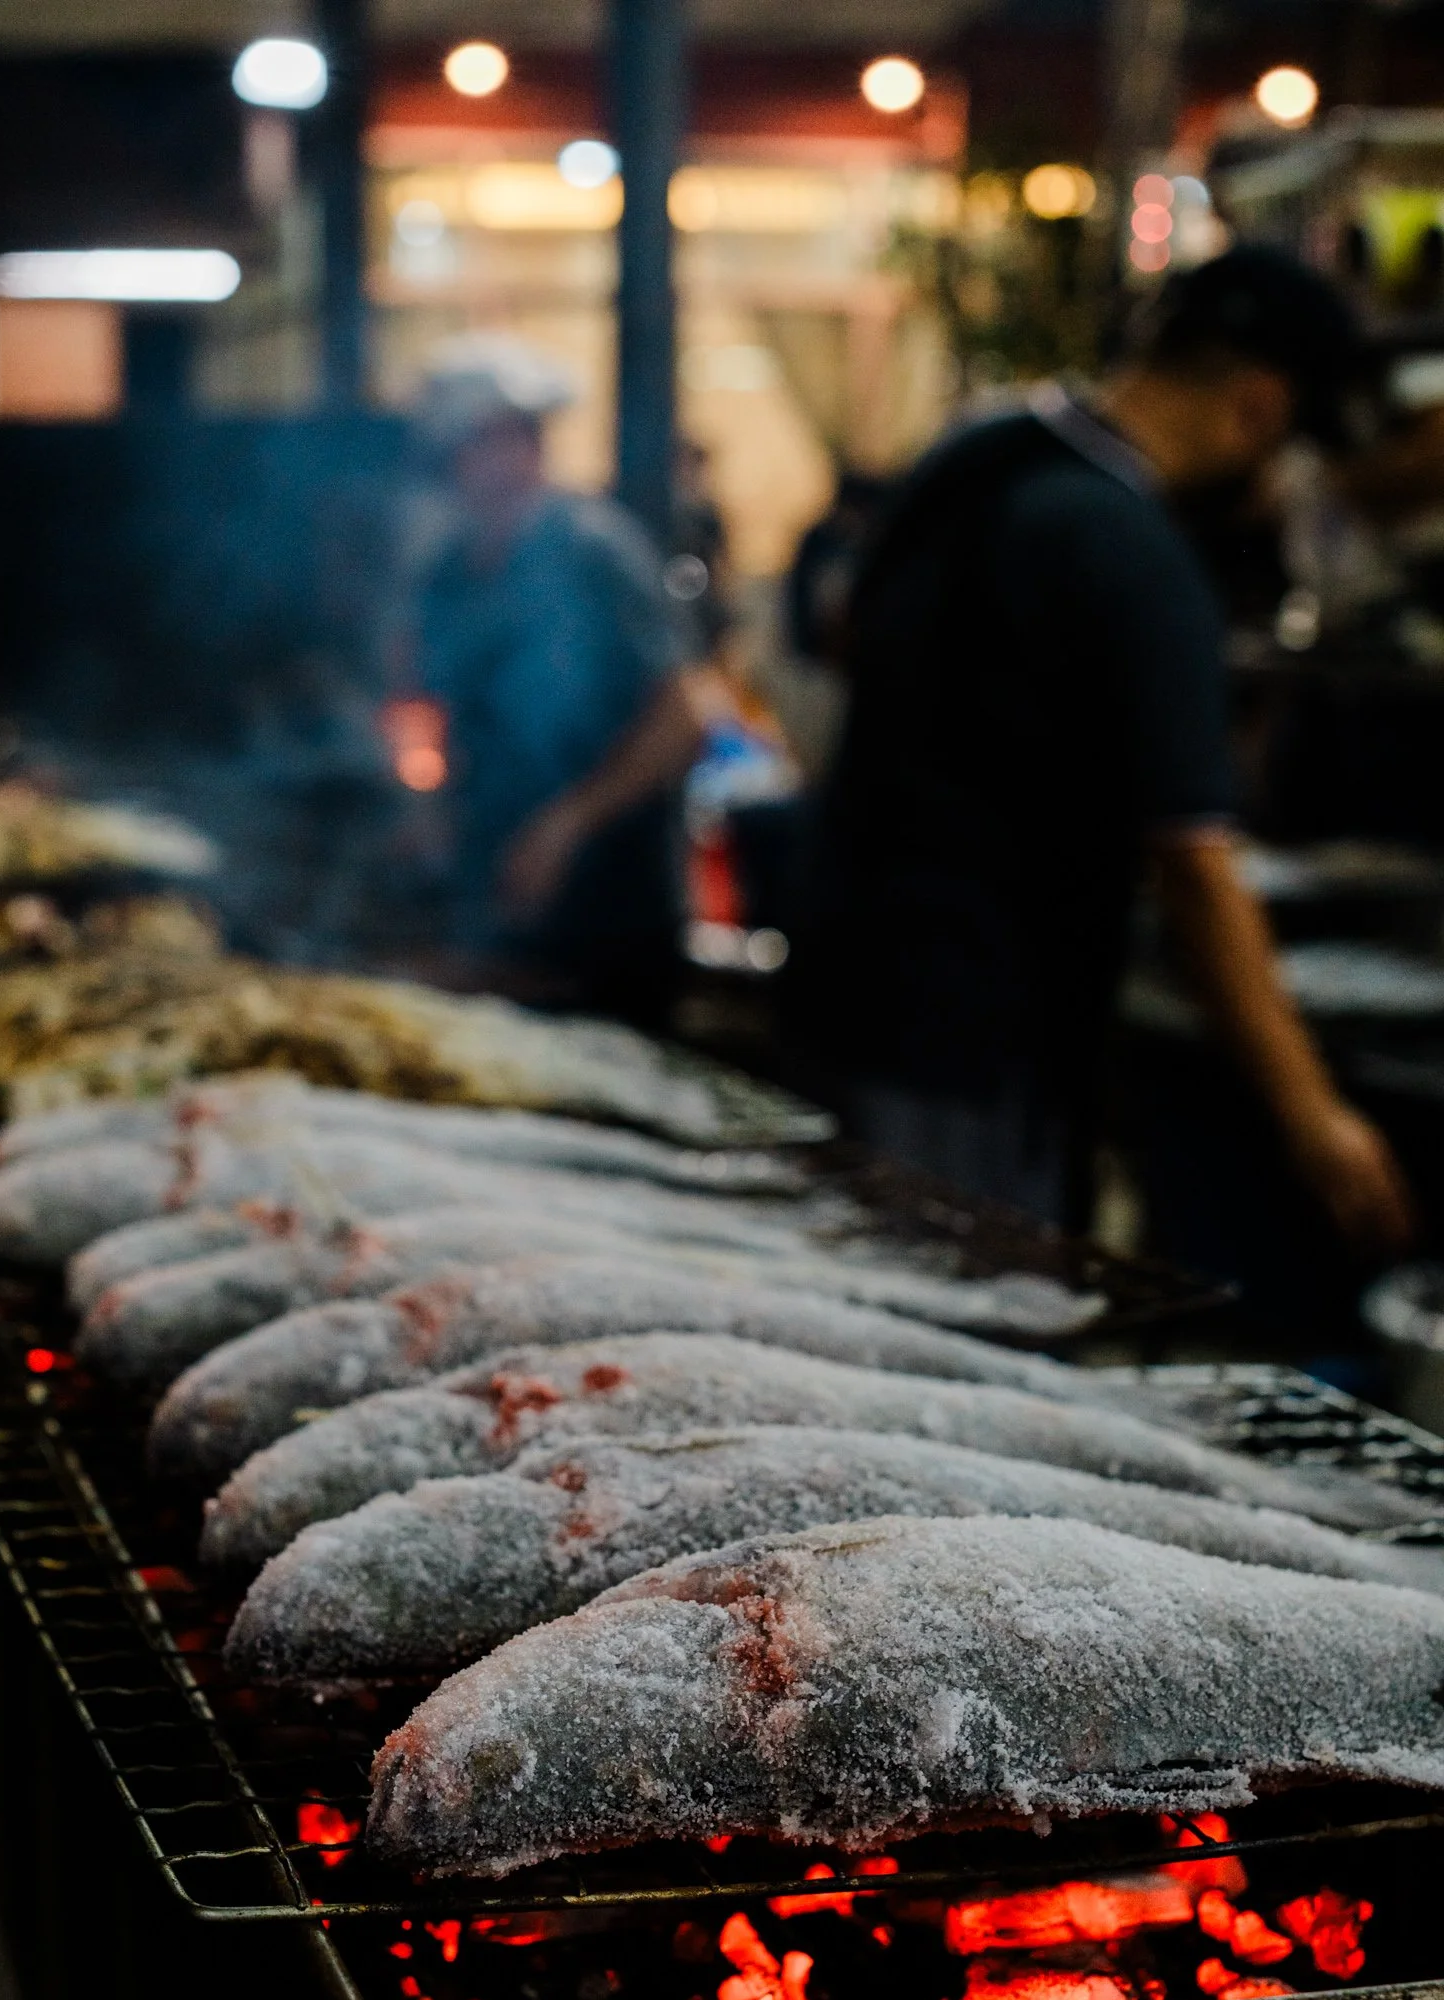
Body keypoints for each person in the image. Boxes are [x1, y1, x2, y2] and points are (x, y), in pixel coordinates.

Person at [789, 245, 1417, 1250]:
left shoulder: (975, 451)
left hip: (847, 979)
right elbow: (1195, 872)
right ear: (1257, 407)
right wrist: (1316, 1122)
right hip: (980, 1035)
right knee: (970, 1323)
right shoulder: (1128, 547)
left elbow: (839, 634)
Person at [406, 336, 702, 1027]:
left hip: (613, 910)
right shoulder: (448, 571)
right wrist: (425, 807)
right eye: (483, 443)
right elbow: (423, 706)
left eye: (519, 439)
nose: (506, 461)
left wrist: (568, 824)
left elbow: (684, 720)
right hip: (496, 903)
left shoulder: (597, 551)